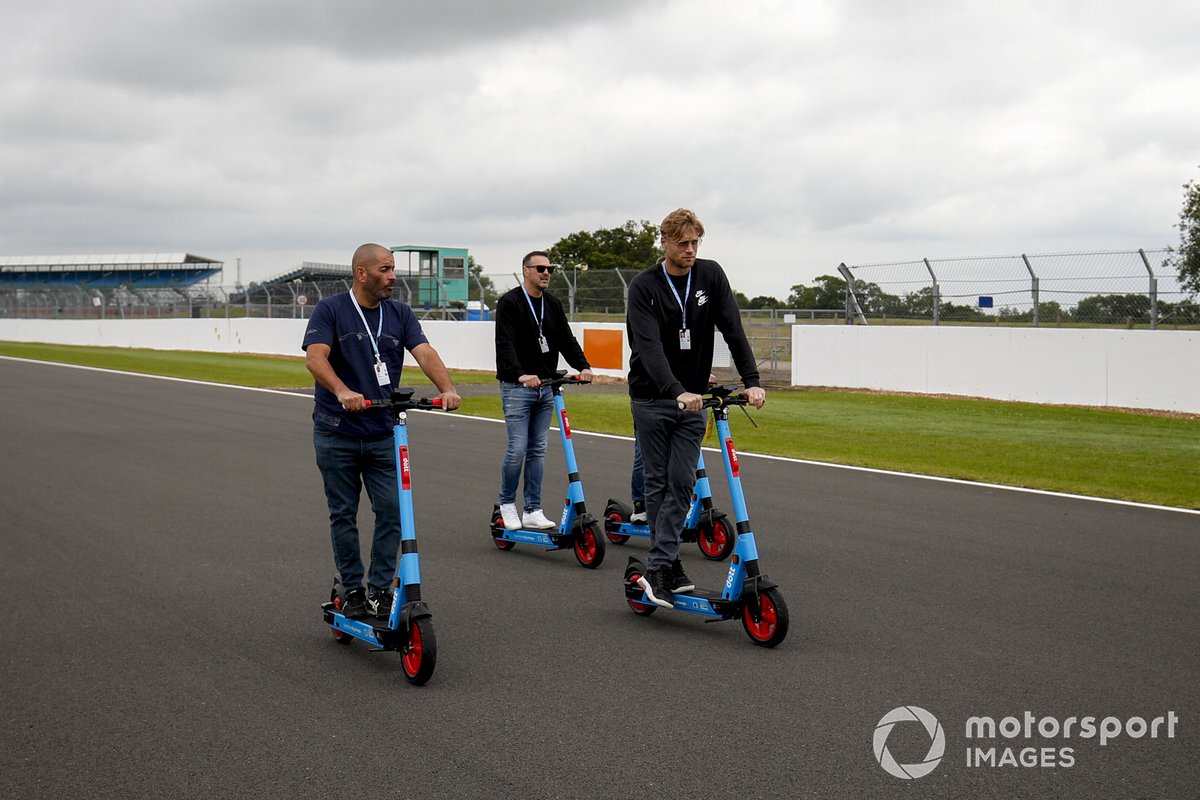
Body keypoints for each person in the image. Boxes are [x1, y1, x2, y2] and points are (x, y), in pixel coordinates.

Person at [303, 243, 462, 621]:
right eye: (386, 269)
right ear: (362, 273)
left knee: (392, 511)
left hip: (382, 430)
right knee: (343, 514)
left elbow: (423, 351)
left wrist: (447, 388)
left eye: (394, 269)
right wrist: (342, 391)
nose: (393, 277)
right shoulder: (332, 309)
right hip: (337, 430)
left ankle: (378, 591)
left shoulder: (400, 313)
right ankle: (352, 588)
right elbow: (315, 356)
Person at [626, 209, 765, 608]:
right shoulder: (643, 286)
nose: (690, 250)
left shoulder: (711, 275)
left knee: (682, 483)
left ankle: (660, 565)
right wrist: (675, 390)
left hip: (692, 402)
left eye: (695, 243)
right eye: (682, 243)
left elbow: (733, 327)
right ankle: (664, 565)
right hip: (653, 398)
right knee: (658, 483)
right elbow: (647, 347)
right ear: (665, 243)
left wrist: (752, 380)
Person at [494, 250, 593, 531]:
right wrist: (521, 374)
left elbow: (565, 339)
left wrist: (583, 366)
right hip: (518, 388)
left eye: (549, 268)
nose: (546, 273)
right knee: (517, 448)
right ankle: (507, 504)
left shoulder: (552, 303)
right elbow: (505, 344)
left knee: (538, 449)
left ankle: (533, 508)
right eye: (540, 268)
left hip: (546, 388)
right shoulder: (510, 302)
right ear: (526, 271)